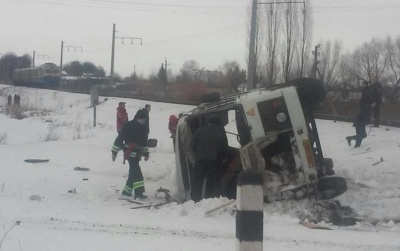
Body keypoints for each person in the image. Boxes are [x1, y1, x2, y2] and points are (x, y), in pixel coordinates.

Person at [111, 109, 150, 200]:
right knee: (137, 173)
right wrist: (114, 152)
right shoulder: (128, 126)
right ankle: (139, 193)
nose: (143, 121)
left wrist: (146, 153)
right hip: (129, 152)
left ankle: (127, 191)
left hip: (137, 153)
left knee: (133, 172)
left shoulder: (143, 128)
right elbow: (120, 139)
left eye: (144, 119)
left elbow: (144, 143)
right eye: (142, 119)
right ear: (138, 118)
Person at [191, 117, 229, 202]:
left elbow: (193, 146)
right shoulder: (219, 133)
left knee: (197, 182)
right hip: (213, 161)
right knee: (213, 181)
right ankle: (212, 200)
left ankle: (194, 201)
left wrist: (199, 152)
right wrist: (223, 158)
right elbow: (223, 149)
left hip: (199, 161)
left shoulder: (199, 131)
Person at [346, 81, 373, 148]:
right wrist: (369, 120)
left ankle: (352, 140)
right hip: (360, 122)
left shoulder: (366, 94)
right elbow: (364, 115)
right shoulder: (366, 107)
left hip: (360, 122)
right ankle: (353, 142)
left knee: (362, 134)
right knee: (362, 134)